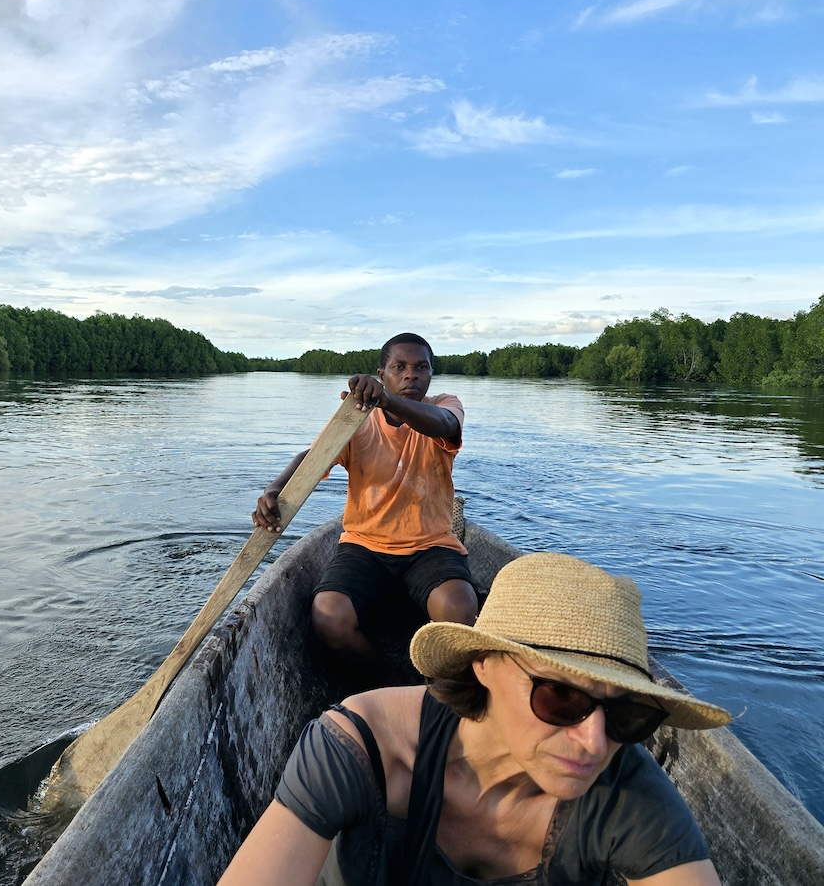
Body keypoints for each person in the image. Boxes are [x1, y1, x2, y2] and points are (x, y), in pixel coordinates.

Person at [217, 552, 732, 886]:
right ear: (483, 663)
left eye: (626, 713)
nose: (595, 742)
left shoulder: (626, 792)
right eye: (560, 696)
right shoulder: (363, 747)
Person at [253, 333, 477, 678]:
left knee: (460, 613)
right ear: (382, 372)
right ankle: (386, 679)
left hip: (430, 544)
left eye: (421, 367)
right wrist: (275, 487)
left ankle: (443, 687)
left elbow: (444, 425)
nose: (411, 375)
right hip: (364, 545)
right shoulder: (356, 420)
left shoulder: (444, 406)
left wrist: (386, 400)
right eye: (398, 367)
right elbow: (313, 458)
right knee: (329, 617)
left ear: (431, 374)